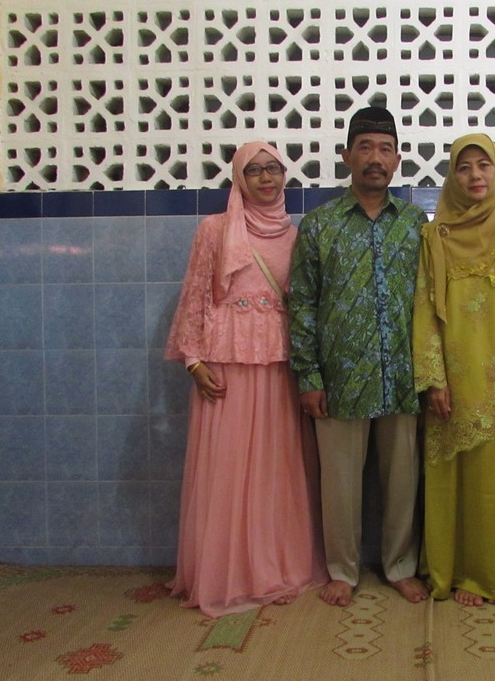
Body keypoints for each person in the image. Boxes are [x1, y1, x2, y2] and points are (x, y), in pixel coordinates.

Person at [164, 141, 327, 617]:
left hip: (278, 368)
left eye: (273, 169)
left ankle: (277, 568)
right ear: (238, 179)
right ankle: (229, 574)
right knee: (229, 473)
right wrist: (194, 362)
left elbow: (304, 306)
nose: (265, 179)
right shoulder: (215, 229)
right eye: (254, 171)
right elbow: (196, 295)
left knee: (278, 472)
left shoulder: (295, 236)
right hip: (225, 368)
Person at [288, 105, 430, 607]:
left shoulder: (415, 224)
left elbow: (431, 300)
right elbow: (301, 303)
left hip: (403, 376)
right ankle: (342, 571)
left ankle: (400, 566)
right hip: (339, 377)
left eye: (385, 149)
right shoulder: (319, 225)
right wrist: (308, 376)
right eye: (365, 147)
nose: (375, 158)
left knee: (403, 482)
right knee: (341, 484)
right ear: (346, 156)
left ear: (397, 160)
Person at [412, 133, 495, 606]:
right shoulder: (435, 238)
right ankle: (454, 572)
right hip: (453, 381)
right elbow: (424, 310)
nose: (475, 175)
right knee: (457, 484)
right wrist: (433, 378)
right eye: (464, 166)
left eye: (483, 165)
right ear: (452, 176)